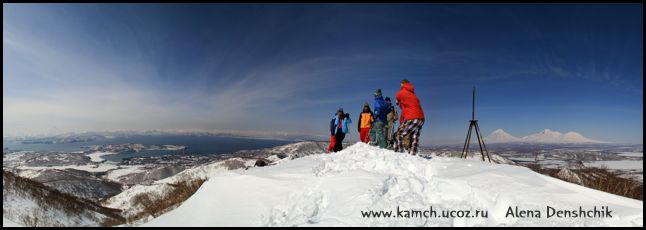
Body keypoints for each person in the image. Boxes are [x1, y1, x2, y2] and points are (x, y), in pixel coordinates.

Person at [394, 79, 425, 155]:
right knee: (415, 136)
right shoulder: (413, 94)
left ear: (402, 84)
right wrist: (400, 103)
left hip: (412, 117)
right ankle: (413, 154)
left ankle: (400, 153)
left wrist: (397, 101)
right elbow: (407, 107)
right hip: (421, 118)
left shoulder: (402, 91)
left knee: (398, 134)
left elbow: (397, 95)